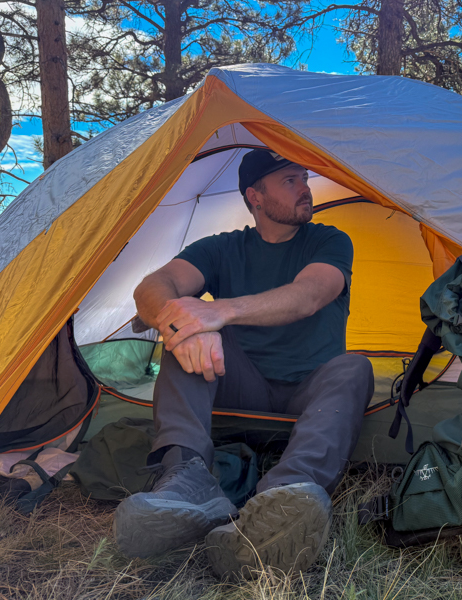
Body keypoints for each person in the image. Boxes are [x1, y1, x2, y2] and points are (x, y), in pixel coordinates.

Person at [112, 149, 375, 578]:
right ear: (255, 196)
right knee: (185, 333)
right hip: (240, 383)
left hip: (310, 389)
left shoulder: (329, 241)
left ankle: (284, 496)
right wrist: (182, 319)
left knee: (355, 367)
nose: (305, 188)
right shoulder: (222, 248)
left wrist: (220, 311)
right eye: (290, 181)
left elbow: (310, 295)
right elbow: (152, 287)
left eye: (303, 178)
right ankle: (187, 479)